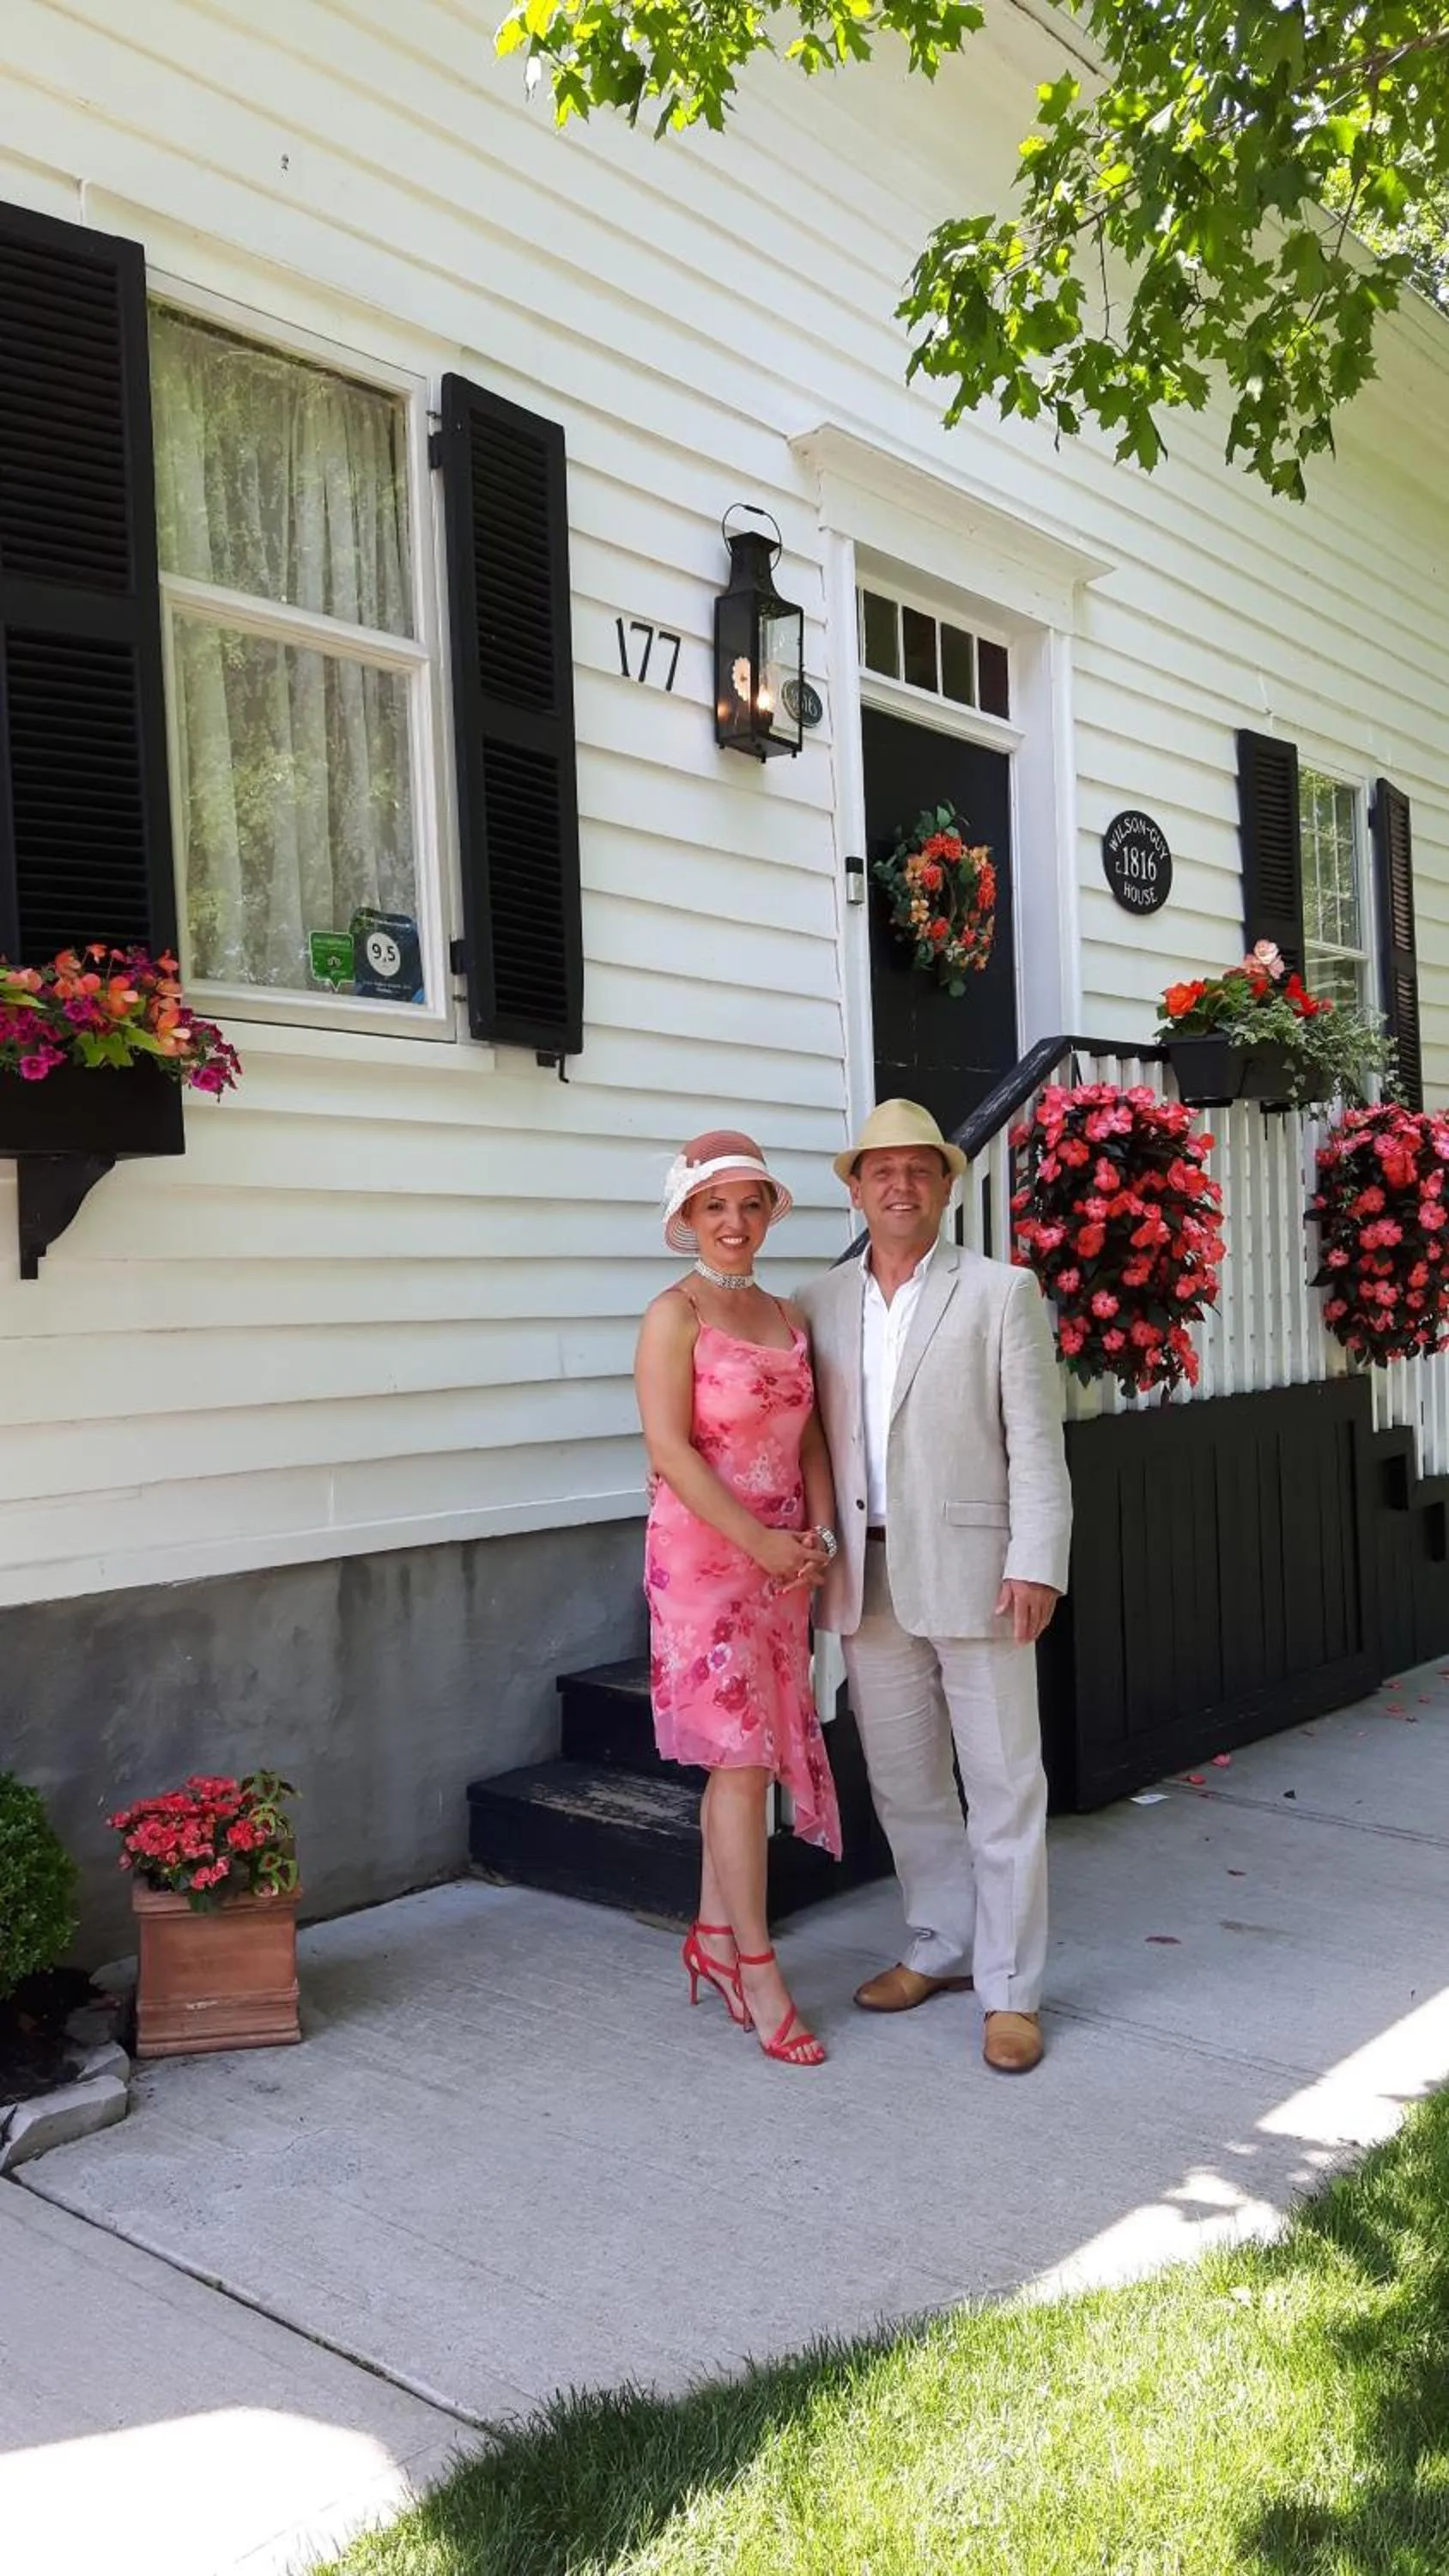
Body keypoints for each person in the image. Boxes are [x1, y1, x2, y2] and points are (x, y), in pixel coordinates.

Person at [795, 1099, 1071, 2075]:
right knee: (905, 1780)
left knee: (1003, 1783)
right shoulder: (816, 1303)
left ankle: (1010, 1990)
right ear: (856, 1190)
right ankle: (942, 1944)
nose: (900, 1185)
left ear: (947, 1186)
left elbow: (1036, 1441)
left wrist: (1035, 1559)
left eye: (919, 1169)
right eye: (882, 1171)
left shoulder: (1001, 1291)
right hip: (863, 1574)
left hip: (979, 1573)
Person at [635, 1130, 842, 2068]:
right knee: (742, 1758)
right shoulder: (672, 1315)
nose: (734, 1222)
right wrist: (758, 1542)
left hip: (782, 1562)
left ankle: (714, 1940)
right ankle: (757, 1968)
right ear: (688, 1217)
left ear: (767, 1216)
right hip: (706, 1561)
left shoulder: (786, 1314)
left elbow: (810, 1439)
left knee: (751, 1752)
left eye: (750, 1204)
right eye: (715, 1206)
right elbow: (669, 1450)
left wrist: (819, 1539)